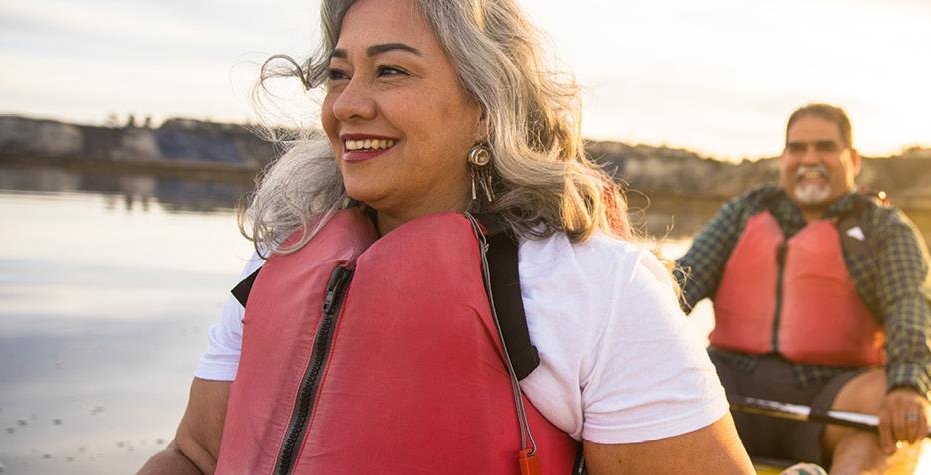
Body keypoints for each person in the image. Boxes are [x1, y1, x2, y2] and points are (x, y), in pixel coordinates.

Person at [137, 0, 752, 473]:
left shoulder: (597, 288)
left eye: (391, 71)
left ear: (488, 104)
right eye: (338, 73)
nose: (347, 105)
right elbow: (192, 456)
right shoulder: (279, 260)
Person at [674, 103, 931, 474]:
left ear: (852, 159)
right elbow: (680, 286)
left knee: (882, 399)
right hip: (730, 388)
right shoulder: (743, 213)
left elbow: (911, 303)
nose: (810, 159)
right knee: (670, 369)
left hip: (834, 395)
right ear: (784, 157)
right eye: (798, 149)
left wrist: (909, 385)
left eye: (825, 147)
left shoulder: (883, 228)